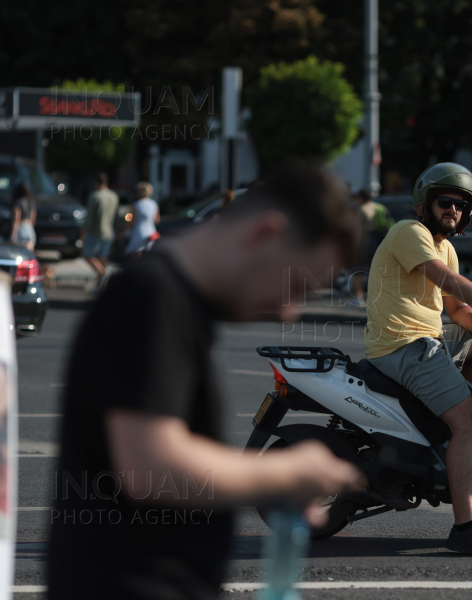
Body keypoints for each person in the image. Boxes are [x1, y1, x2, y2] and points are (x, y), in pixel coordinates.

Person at [47, 163, 364, 599]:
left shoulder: (173, 300)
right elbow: (149, 466)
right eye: (297, 285)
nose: (289, 311)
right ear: (264, 236)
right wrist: (286, 472)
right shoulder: (152, 296)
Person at [364, 162, 472, 557]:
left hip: (428, 337)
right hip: (402, 345)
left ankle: (462, 440)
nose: (453, 211)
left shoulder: (446, 247)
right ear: (425, 203)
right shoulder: (410, 232)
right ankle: (465, 527)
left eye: (461, 206)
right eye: (445, 202)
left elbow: (456, 309)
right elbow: (445, 279)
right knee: (471, 422)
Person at [350, 189, 394, 307]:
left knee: (358, 269)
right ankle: (378, 298)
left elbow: (357, 229)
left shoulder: (361, 209)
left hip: (365, 241)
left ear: (360, 198)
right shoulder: (380, 207)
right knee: (377, 270)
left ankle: (358, 298)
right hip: (379, 240)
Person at [81, 173, 119, 285]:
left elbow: (90, 217)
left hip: (96, 231)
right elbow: (116, 216)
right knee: (103, 258)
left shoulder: (95, 196)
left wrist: (84, 232)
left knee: (88, 256)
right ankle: (100, 284)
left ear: (97, 183)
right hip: (109, 231)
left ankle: (103, 274)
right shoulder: (114, 196)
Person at [120, 181, 160, 258]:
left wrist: (123, 230)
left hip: (139, 233)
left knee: (135, 257)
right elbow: (157, 220)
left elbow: (130, 220)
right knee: (149, 257)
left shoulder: (136, 205)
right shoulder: (154, 204)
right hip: (152, 233)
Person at [10, 182, 37, 251]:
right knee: (30, 251)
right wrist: (31, 228)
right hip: (29, 227)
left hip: (21, 228)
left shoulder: (17, 202)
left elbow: (17, 219)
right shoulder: (30, 202)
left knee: (20, 251)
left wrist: (13, 234)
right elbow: (33, 217)